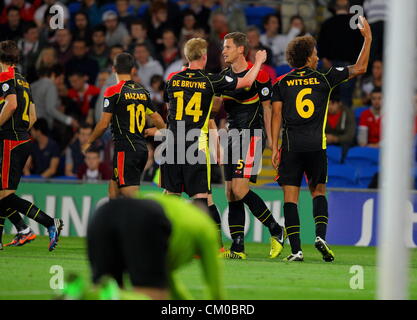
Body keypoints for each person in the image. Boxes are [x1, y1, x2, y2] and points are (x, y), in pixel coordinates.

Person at [271, 16, 372, 262]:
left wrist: (274, 148)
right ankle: (320, 236)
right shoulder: (325, 78)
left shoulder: (282, 83)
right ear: (308, 57)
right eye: (314, 52)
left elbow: (275, 116)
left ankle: (296, 250)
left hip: (291, 147)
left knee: (290, 198)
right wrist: (367, 38)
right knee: (318, 192)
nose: (317, 56)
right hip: (317, 145)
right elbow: (360, 68)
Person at [160, 37, 269, 252]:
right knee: (202, 197)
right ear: (204, 56)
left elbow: (168, 108)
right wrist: (258, 62)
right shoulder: (209, 80)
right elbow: (246, 83)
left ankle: (162, 241)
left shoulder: (172, 79)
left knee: (171, 196)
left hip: (172, 141)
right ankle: (203, 246)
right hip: (194, 144)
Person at [214, 32, 284, 260]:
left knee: (240, 189)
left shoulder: (261, 76)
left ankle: (276, 229)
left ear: (241, 49)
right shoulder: (224, 77)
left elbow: (268, 109)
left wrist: (272, 143)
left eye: (228, 47)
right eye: (224, 47)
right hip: (232, 135)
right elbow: (217, 109)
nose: (224, 51)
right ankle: (238, 248)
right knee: (230, 193)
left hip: (252, 135)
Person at [85, 193, 224, 300]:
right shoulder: (206, 226)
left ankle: (84, 293)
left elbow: (169, 282)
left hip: (104, 213)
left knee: (109, 289)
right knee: (153, 296)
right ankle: (86, 294)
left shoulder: (175, 207)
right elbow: (213, 280)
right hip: (145, 218)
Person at [0, 40, 62, 251]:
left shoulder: (6, 76)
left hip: (11, 140)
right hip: (22, 139)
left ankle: (47, 222)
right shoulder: (24, 81)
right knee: (2, 191)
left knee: (5, 195)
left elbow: (12, 105)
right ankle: (22, 230)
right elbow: (33, 116)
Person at [82, 52, 166, 199]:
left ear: (113, 69)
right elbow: (158, 119)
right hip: (141, 148)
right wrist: (162, 132)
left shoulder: (113, 91)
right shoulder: (143, 92)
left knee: (130, 197)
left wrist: (89, 141)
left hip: (126, 149)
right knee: (113, 190)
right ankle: (113, 221)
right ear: (133, 69)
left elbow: (103, 124)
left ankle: (147, 221)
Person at [325, 90, 356, 160]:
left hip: (343, 144)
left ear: (340, 103)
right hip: (325, 142)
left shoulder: (348, 113)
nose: (329, 107)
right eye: (328, 104)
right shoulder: (322, 113)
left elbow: (351, 136)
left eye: (332, 103)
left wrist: (335, 139)